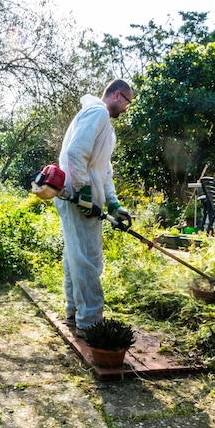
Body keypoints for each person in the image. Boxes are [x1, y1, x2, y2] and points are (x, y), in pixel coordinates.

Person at [54, 79, 133, 338]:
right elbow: (75, 154)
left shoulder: (105, 127)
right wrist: (83, 190)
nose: (126, 109)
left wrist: (113, 203)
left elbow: (103, 171)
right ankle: (90, 324)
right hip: (77, 198)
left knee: (75, 257)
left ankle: (74, 313)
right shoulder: (97, 112)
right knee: (87, 259)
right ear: (117, 95)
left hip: (84, 197)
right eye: (127, 103)